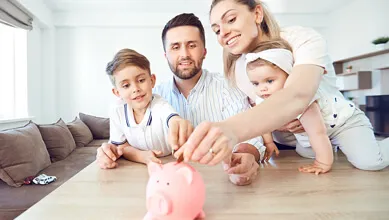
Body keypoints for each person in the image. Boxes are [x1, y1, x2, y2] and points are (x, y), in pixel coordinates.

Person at [178, 0, 389, 176]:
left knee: (370, 162)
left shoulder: (302, 40)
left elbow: (298, 95)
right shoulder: (237, 69)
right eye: (216, 30)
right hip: (304, 141)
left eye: (231, 20)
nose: (223, 33)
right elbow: (258, 111)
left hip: (338, 124)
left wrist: (232, 130)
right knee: (312, 152)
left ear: (257, 13)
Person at [154, 13, 264, 185]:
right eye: (175, 47)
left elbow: (250, 134)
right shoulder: (154, 96)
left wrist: (247, 154)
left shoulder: (228, 87)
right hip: (169, 185)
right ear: (165, 55)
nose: (184, 54)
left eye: (192, 45)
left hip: (221, 185)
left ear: (204, 51)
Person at [95, 48, 193, 169]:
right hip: (137, 167)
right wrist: (142, 156)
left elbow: (172, 118)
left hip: (168, 164)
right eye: (126, 85)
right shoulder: (117, 110)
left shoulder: (159, 105)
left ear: (152, 81)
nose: (135, 88)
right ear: (117, 92)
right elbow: (121, 146)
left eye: (141, 80)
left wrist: (177, 122)